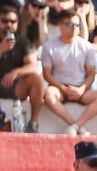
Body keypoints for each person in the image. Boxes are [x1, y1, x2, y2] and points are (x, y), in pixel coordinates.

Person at [41, 8, 97, 135]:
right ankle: (75, 125)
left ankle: (76, 125)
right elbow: (47, 74)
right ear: (60, 25)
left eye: (77, 25)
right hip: (60, 89)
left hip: (81, 90)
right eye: (70, 24)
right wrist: (64, 88)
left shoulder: (87, 47)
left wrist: (81, 89)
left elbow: (91, 73)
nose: (75, 28)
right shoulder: (49, 46)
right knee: (49, 94)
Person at [0, 4, 46, 132]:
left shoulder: (23, 41)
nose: (9, 25)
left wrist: (16, 72)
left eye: (12, 21)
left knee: (37, 79)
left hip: (12, 86)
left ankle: (33, 123)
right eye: (4, 21)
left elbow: (33, 65)